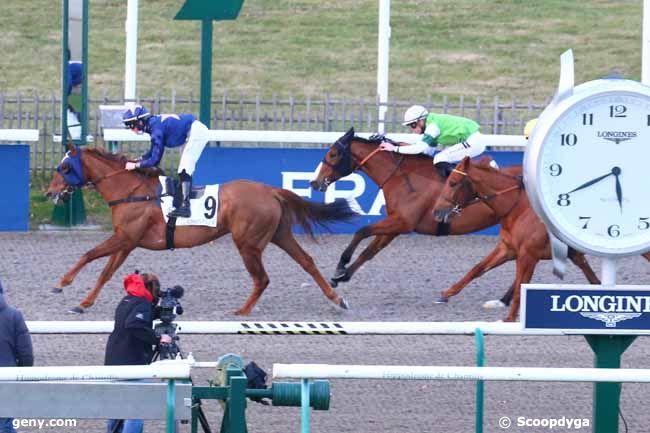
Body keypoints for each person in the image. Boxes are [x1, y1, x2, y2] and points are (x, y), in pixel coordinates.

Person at [105, 272, 171, 433]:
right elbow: (134, 324)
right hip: (132, 361)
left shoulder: (127, 300)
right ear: (152, 288)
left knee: (117, 407)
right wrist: (159, 338)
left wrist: (157, 312)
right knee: (136, 409)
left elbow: (135, 318)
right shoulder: (142, 304)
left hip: (114, 358)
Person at [122, 105, 209, 218]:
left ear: (140, 121)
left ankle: (186, 207)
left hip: (196, 133)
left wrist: (136, 165)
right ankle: (182, 203)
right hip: (190, 132)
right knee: (183, 169)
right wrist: (138, 160)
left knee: (184, 169)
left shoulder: (155, 130)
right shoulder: (153, 125)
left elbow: (155, 160)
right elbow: (153, 151)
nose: (131, 129)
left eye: (132, 125)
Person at [378, 105, 492, 171]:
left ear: (422, 120)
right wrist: (397, 145)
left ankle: (464, 181)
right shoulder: (430, 126)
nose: (412, 129)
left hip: (474, 141)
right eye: (410, 126)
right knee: (438, 158)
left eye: (413, 125)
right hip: (472, 140)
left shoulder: (432, 127)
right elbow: (427, 153)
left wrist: (394, 148)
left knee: (440, 158)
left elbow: (419, 148)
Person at [0, 278, 33, 433]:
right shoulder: (14, 316)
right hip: (6, 380)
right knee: (5, 424)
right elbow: (26, 354)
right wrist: (20, 374)